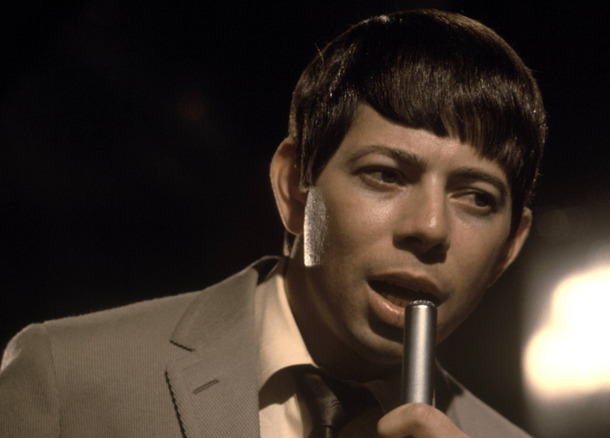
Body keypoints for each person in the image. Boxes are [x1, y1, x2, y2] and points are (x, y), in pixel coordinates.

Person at [0, 9, 546, 437]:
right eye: (385, 174)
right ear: (293, 187)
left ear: (509, 248)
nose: (430, 226)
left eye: (476, 197)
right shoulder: (67, 378)